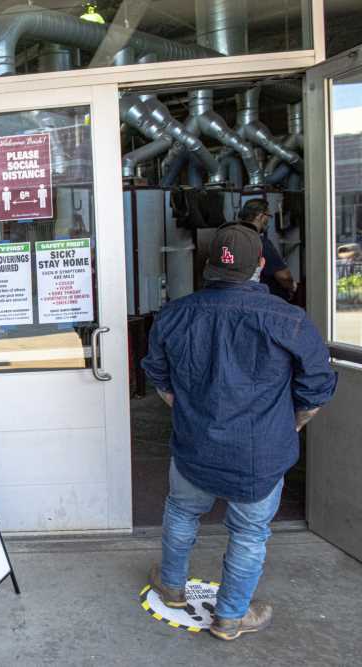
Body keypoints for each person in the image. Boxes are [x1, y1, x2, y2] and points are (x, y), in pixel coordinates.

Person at [142, 223, 337, 641]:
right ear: (261, 266)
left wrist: (186, 408)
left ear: (209, 265)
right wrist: (293, 422)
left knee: (181, 511)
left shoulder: (175, 314)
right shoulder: (288, 319)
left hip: (195, 444)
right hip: (261, 453)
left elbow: (158, 374)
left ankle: (172, 586)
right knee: (249, 532)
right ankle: (229, 618)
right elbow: (317, 386)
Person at [236, 198, 296, 299]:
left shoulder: (232, 237)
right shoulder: (261, 242)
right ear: (260, 216)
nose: (268, 221)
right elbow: (284, 276)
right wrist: (292, 286)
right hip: (264, 299)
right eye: (268, 216)